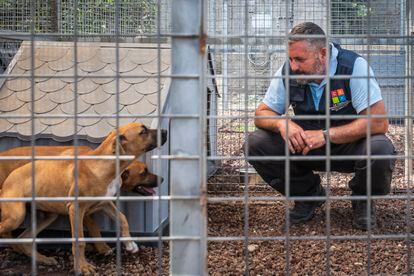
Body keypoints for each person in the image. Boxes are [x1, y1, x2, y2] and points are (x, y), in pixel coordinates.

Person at [245, 22, 395, 230]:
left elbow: (379, 121)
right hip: (306, 146)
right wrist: (282, 123)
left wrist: (326, 135)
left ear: (322, 54)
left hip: (349, 146)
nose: (294, 66)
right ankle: (308, 195)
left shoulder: (353, 67)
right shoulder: (289, 71)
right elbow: (261, 114)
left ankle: (363, 199)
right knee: (256, 142)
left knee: (380, 149)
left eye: (299, 59)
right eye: (290, 58)